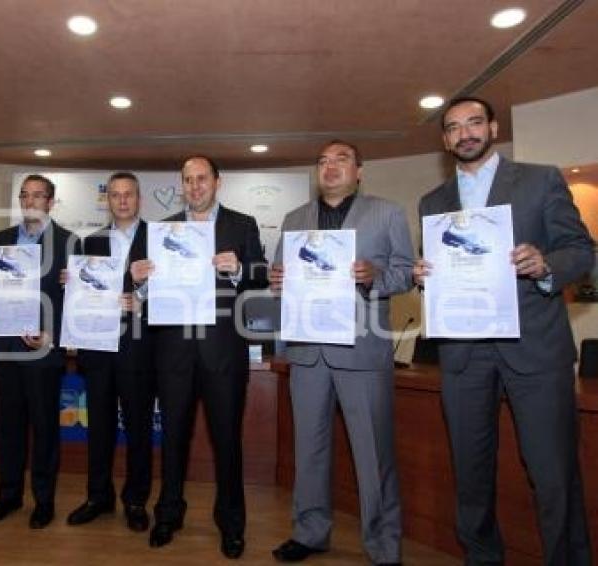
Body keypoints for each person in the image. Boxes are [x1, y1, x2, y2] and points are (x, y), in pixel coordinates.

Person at [414, 96, 593, 566]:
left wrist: (545, 263)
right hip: (464, 355)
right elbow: (436, 265)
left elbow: (581, 249)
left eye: (474, 123)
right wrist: (423, 272)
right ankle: (482, 558)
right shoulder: (433, 203)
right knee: (470, 476)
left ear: (493, 128)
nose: (465, 133)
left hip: (535, 350)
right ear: (445, 139)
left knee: (553, 475)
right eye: (453, 128)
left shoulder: (540, 179)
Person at [269, 140, 413, 564]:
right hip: (308, 352)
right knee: (308, 450)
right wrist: (279, 279)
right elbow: (282, 281)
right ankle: (311, 532)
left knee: (373, 455)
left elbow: (406, 272)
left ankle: (384, 546)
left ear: (359, 171)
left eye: (341, 160)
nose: (330, 167)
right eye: (323, 161)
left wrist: (376, 275)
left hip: (362, 354)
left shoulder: (386, 212)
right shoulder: (295, 218)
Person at [131, 156, 268, 559]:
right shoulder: (162, 229)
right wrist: (138, 280)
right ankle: (168, 514)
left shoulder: (241, 225)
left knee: (227, 441)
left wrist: (239, 268)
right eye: (188, 180)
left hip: (222, 352)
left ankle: (231, 523)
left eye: (201, 179)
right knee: (173, 439)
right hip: (172, 351)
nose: (195, 186)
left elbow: (261, 273)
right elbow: (137, 286)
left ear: (217, 182)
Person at [0, 174, 80, 529]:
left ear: (50, 202)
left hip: (42, 350)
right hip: (6, 347)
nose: (30, 201)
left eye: (38, 196)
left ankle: (44, 500)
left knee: (44, 427)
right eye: (25, 195)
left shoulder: (69, 241)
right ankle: (7, 496)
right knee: (8, 426)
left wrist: (51, 337)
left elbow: (73, 301)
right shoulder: (3, 239)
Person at [68, 172, 155, 532]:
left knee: (138, 429)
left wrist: (141, 297)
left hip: (139, 347)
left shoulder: (158, 238)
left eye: (128, 195)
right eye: (115, 195)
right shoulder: (90, 243)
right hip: (97, 350)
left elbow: (176, 287)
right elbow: (81, 294)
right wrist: (70, 285)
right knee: (98, 428)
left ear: (139, 198)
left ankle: (135, 500)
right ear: (107, 201)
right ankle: (97, 496)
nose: (122, 201)